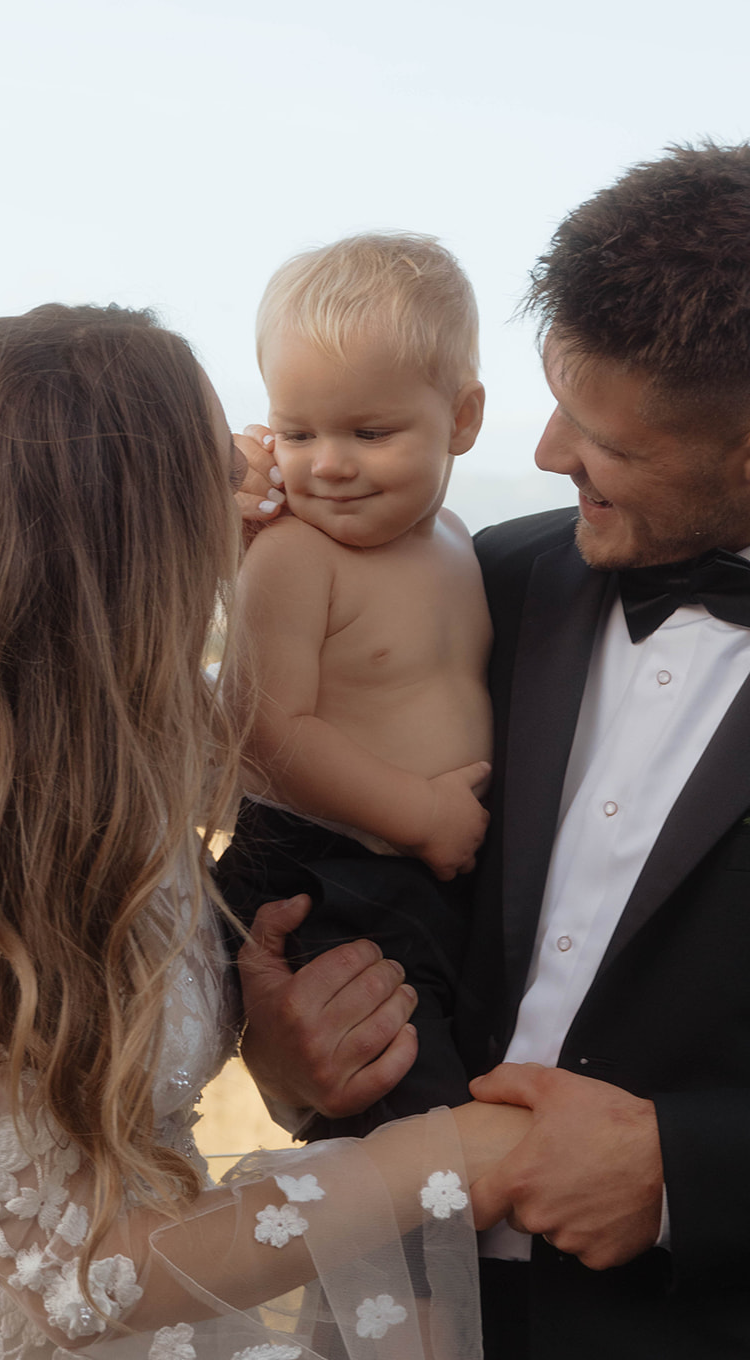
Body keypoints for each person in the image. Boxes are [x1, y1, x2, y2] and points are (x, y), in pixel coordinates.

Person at [0, 302, 529, 1360]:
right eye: (224, 469)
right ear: (121, 536)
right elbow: (85, 1272)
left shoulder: (124, 744)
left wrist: (268, 1039)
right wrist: (459, 1151)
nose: (266, 483)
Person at [234, 142, 750, 1359]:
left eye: (601, 437)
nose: (548, 453)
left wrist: (683, 1173)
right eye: (553, 397)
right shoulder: (488, 575)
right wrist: (293, 1055)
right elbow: (308, 822)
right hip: (408, 1305)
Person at [217, 235, 491, 1134]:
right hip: (325, 871)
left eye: (368, 433)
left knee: (458, 1087)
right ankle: (404, 1281)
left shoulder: (453, 536)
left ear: (461, 419)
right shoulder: (295, 555)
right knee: (405, 1124)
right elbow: (263, 728)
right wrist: (420, 814)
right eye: (297, 433)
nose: (327, 464)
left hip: (420, 872)